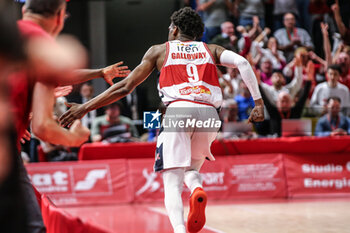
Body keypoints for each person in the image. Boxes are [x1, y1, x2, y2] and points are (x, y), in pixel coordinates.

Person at [60, 7, 264, 233]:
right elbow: (244, 64)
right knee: (192, 167)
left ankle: (179, 229)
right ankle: (196, 187)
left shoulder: (159, 51)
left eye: (170, 27)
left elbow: (126, 86)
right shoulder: (212, 49)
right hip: (210, 115)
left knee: (171, 183)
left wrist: (85, 107)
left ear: (175, 29)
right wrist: (258, 103)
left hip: (178, 111)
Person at [10, 0, 130, 232]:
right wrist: (74, 138)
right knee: (33, 225)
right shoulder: (44, 46)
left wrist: (18, 113)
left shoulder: (8, 34)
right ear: (59, 17)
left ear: (25, 10)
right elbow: (43, 128)